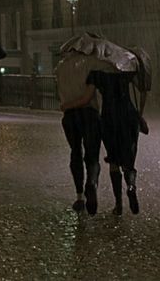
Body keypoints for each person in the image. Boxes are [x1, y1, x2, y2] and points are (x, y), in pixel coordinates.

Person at [61, 69, 146, 215]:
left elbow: (86, 98)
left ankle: (117, 205)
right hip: (129, 116)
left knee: (113, 162)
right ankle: (131, 186)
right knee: (129, 162)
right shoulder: (125, 69)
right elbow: (143, 88)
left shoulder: (97, 73)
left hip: (109, 118)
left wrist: (66, 106)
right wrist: (140, 113)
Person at [55, 53, 111, 215]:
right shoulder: (91, 64)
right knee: (92, 156)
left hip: (70, 117)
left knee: (75, 153)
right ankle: (92, 183)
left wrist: (67, 104)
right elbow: (88, 96)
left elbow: (59, 93)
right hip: (89, 115)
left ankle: (79, 197)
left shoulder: (61, 66)